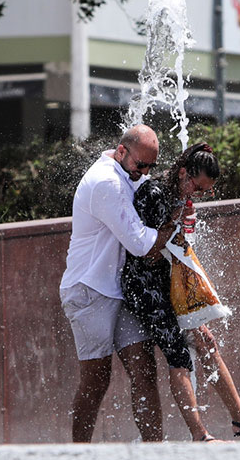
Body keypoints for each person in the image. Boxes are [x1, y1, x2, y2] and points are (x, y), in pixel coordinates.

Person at [122, 142, 240, 441]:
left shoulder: (178, 195)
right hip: (145, 288)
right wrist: (175, 223)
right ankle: (200, 435)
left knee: (207, 341)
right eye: (198, 187)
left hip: (167, 283)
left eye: (205, 192)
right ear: (183, 173)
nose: (198, 195)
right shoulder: (154, 194)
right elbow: (147, 253)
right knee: (179, 355)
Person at [59, 124, 176, 443]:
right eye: (141, 165)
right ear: (121, 151)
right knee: (97, 380)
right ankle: (78, 455)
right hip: (88, 290)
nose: (145, 172)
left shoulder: (128, 173)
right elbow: (140, 243)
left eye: (150, 166)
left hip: (119, 290)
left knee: (144, 369)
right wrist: (174, 230)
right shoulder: (106, 182)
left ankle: (155, 452)